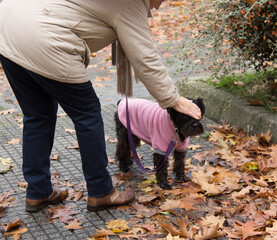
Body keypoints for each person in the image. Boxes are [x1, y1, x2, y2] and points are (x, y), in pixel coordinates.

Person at [0, 0, 201, 212]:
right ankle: (101, 191)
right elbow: (146, 59)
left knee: (37, 116)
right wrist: (173, 99)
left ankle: (38, 192)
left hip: (8, 24)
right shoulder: (130, 3)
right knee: (87, 114)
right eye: (161, 0)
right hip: (44, 35)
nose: (159, 6)